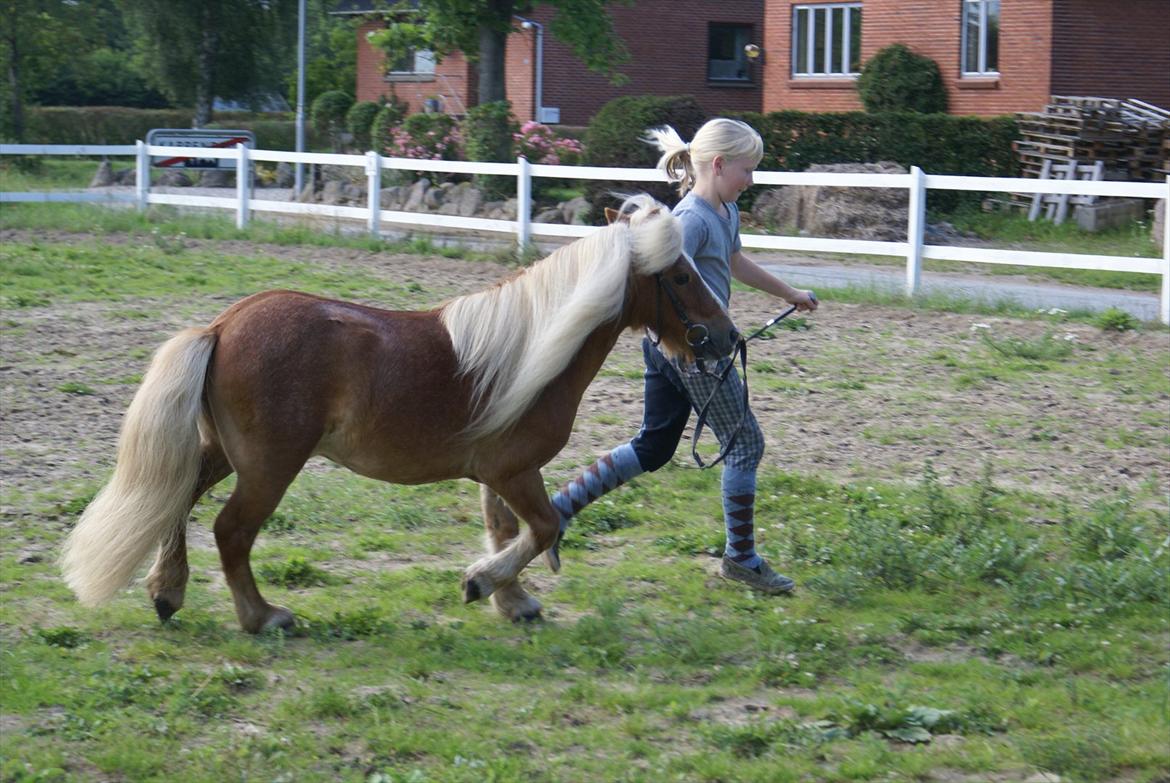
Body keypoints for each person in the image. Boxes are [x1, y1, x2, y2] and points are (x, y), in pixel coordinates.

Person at [549, 118, 818, 594]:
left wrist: (788, 292)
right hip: (694, 354)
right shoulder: (690, 220)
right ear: (718, 165)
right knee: (745, 444)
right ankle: (741, 559)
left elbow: (734, 261)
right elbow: (660, 280)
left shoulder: (724, 212)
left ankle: (556, 511)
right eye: (747, 170)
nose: (751, 180)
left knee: (653, 446)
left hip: (665, 351)